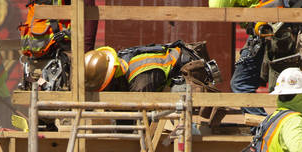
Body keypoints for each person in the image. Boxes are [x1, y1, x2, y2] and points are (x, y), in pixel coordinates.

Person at [82, 42, 220, 93]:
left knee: (177, 98)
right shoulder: (122, 62)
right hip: (169, 69)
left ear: (111, 78)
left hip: (188, 73)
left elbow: (139, 116)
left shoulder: (140, 80)